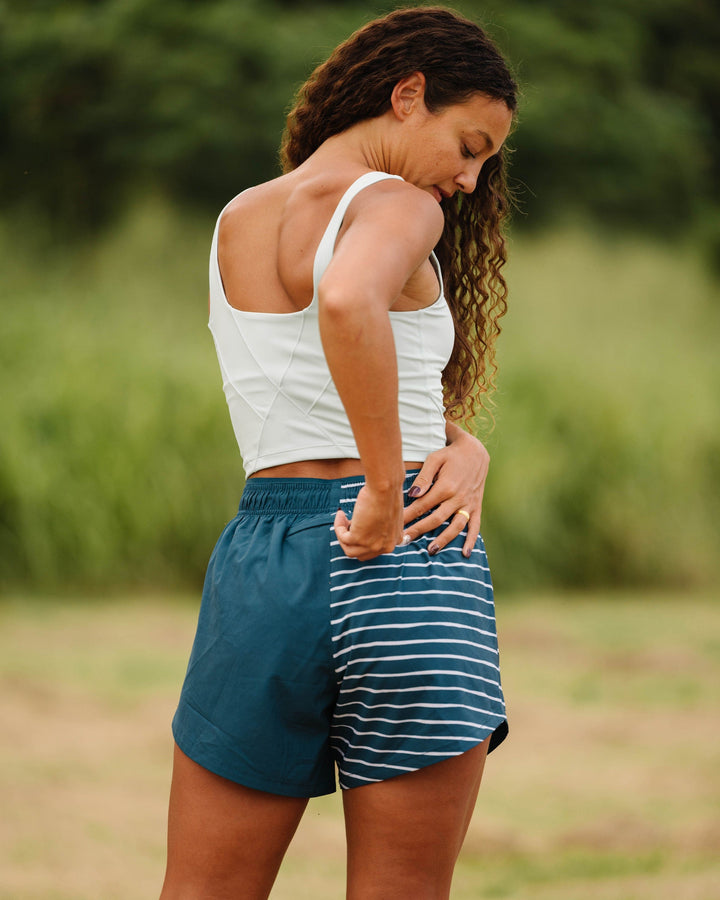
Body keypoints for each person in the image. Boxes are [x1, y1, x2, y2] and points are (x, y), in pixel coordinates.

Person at [160, 6, 517, 898]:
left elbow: (307, 393)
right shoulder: (394, 203)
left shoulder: (240, 216)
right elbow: (350, 302)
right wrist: (389, 489)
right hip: (404, 555)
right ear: (407, 96)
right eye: (468, 145)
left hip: (262, 563)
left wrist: (457, 443)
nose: (471, 180)